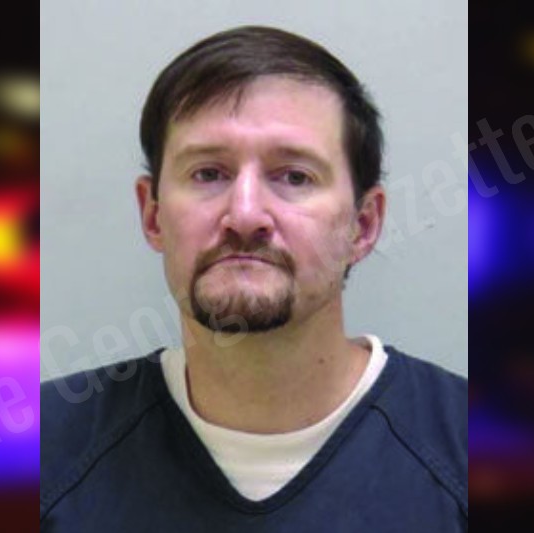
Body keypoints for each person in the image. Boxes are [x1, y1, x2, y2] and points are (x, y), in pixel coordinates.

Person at [40, 26, 467, 532]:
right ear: (153, 215)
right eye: (208, 173)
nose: (245, 215)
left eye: (294, 176)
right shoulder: (40, 452)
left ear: (364, 225)